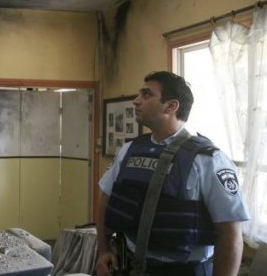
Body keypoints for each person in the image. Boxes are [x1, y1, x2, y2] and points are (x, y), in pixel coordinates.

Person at [96, 71, 248, 276]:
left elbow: (230, 234)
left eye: (146, 95)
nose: (136, 101)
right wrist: (103, 250)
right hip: (130, 265)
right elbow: (105, 201)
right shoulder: (130, 149)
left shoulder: (208, 159)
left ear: (171, 106)